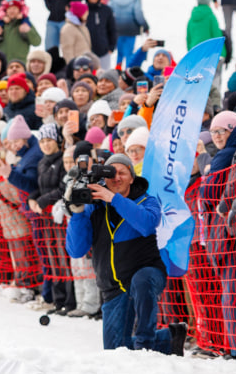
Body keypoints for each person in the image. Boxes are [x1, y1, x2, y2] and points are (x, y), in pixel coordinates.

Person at [65, 152, 186, 355]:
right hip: (112, 287)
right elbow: (77, 250)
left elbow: (147, 224)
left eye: (122, 172)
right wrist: (76, 213)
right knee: (116, 352)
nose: (117, 177)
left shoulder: (147, 201)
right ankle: (170, 337)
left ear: (132, 177)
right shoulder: (93, 207)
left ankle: (146, 342)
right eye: (111, 173)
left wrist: (114, 199)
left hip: (147, 274)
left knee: (142, 280)